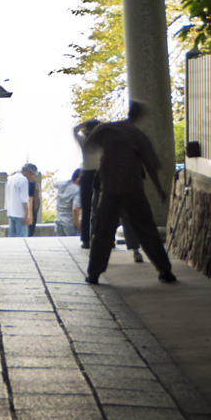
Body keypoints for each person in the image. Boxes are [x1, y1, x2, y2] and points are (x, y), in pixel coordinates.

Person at [85, 101, 175, 285]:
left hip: (109, 188)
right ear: (139, 116)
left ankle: (94, 273)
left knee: (103, 231)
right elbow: (150, 165)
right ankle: (164, 270)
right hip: (132, 189)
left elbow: (89, 143)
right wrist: (159, 189)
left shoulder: (107, 129)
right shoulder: (139, 136)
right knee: (147, 230)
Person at [73, 118, 102, 248]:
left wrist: (86, 123)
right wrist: (99, 124)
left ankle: (86, 239)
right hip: (98, 174)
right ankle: (98, 239)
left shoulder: (84, 141)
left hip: (89, 174)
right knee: (101, 208)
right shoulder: (102, 142)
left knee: (88, 209)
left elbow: (74, 130)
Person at [5, 163, 38, 237]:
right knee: (22, 239)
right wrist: (26, 214)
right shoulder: (23, 179)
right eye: (32, 175)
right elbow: (24, 199)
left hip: (11, 212)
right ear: (28, 172)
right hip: (20, 214)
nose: (32, 178)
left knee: (12, 238)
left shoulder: (11, 178)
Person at [54, 168, 82, 236]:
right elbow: (75, 209)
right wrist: (78, 224)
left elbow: (55, 184)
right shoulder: (77, 190)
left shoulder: (63, 185)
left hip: (58, 222)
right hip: (70, 224)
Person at [27, 169, 42, 238]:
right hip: (31, 210)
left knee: (31, 229)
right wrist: (30, 214)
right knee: (30, 230)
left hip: (34, 209)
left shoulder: (34, 183)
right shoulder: (30, 184)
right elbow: (30, 199)